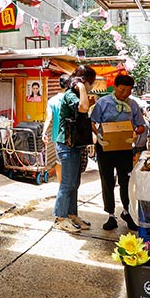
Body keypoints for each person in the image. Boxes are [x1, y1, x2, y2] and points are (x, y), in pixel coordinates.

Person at [42, 66, 96, 233]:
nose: (92, 87)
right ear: (85, 81)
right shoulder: (71, 94)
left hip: (75, 143)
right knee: (67, 183)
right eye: (91, 83)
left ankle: (72, 215)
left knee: (75, 183)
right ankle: (60, 218)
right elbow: (83, 108)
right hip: (66, 143)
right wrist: (80, 86)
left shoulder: (77, 94)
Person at [91, 73, 146, 231]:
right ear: (114, 87)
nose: (124, 94)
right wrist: (99, 136)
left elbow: (141, 125)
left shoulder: (133, 104)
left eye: (128, 91)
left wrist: (135, 132)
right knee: (107, 181)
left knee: (126, 181)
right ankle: (110, 215)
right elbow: (93, 122)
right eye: (122, 90)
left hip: (125, 148)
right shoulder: (103, 102)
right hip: (105, 147)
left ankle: (127, 212)